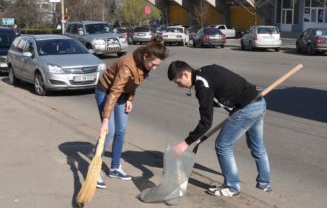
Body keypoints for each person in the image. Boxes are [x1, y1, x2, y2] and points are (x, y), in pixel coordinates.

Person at [167, 61, 271, 197]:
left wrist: (185, 143)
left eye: (178, 82)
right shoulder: (205, 71)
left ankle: (232, 187)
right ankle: (264, 185)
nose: (179, 86)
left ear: (186, 74)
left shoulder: (202, 85)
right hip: (258, 102)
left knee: (222, 145)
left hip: (247, 109)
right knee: (257, 145)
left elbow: (206, 122)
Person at [95, 36, 168, 189]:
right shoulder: (128, 66)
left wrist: (130, 99)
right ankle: (94, 170)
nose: (154, 68)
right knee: (109, 132)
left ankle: (114, 167)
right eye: (153, 65)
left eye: (157, 66)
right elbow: (114, 91)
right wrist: (106, 120)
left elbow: (132, 84)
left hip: (121, 94)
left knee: (121, 131)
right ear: (146, 56)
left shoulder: (143, 64)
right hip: (106, 92)